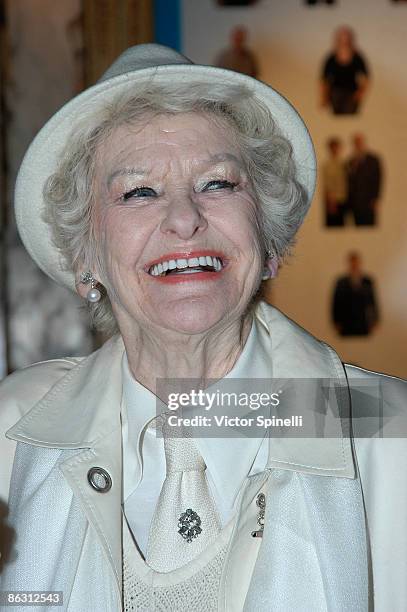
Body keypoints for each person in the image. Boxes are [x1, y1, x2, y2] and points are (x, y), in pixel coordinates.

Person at [0, 44, 406, 612]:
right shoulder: (13, 433)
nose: (186, 219)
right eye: (138, 191)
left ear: (265, 238)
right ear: (86, 257)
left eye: (218, 184)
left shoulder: (391, 434)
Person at [320, 26, 369, 114]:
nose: (344, 42)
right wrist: (324, 97)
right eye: (342, 39)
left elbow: (366, 78)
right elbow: (324, 80)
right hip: (335, 94)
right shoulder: (331, 58)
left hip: (352, 94)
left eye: (347, 40)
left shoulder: (357, 58)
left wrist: (360, 93)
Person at [332, 251, 379, 336]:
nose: (354, 264)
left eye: (356, 262)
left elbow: (373, 301)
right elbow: (336, 303)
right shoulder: (341, 282)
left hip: (363, 322)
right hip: (346, 322)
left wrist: (375, 320)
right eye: (352, 262)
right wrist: (336, 321)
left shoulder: (367, 281)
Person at [346, 133, 383, 226]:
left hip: (369, 201)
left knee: (369, 226)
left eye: (359, 142)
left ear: (364, 143)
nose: (358, 145)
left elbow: (378, 180)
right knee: (358, 226)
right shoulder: (350, 161)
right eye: (356, 143)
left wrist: (376, 198)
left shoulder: (373, 159)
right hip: (355, 203)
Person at [322, 136, 348, 226]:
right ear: (329, 149)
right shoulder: (327, 165)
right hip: (333, 202)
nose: (335, 149)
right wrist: (331, 202)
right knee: (333, 226)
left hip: (343, 200)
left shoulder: (344, 163)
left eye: (337, 147)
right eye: (333, 147)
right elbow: (327, 185)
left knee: (343, 227)